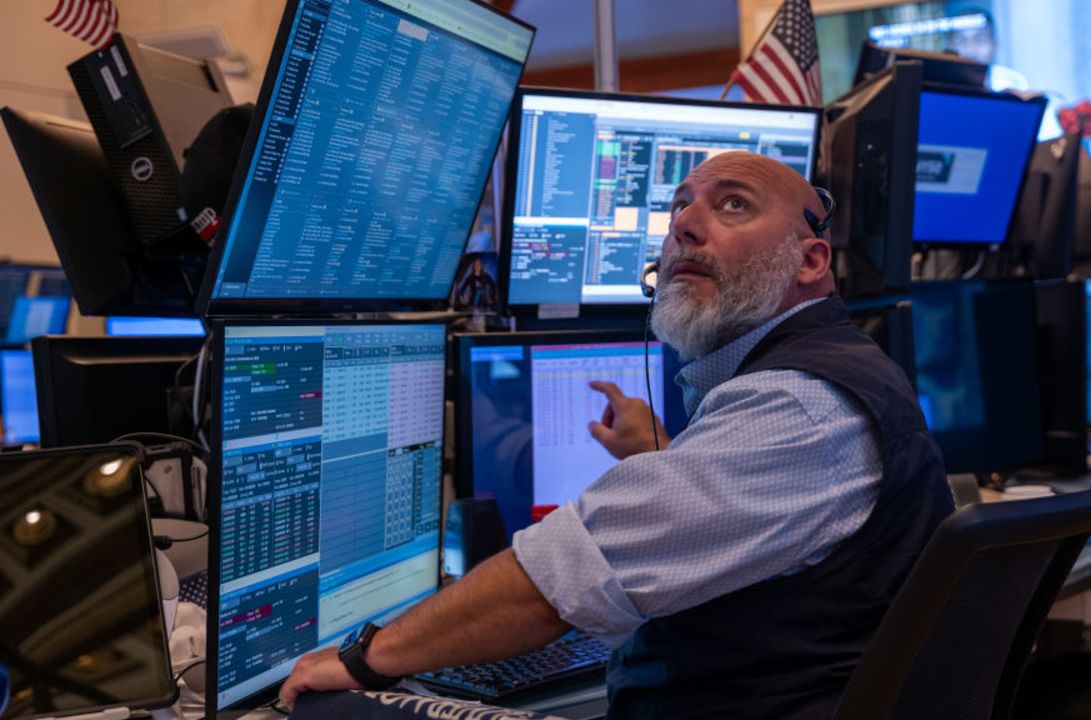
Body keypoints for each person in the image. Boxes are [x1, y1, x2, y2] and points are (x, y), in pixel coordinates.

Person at [280, 152, 952, 717]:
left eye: (733, 205)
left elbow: (555, 583)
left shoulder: (797, 404)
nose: (684, 225)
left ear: (810, 260)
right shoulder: (813, 376)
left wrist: (365, 660)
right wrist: (663, 460)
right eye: (680, 208)